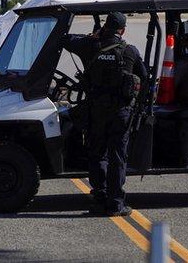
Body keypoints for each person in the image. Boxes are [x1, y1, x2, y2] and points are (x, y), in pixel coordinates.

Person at [62, 12, 149, 217]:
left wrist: (92, 37)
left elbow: (65, 39)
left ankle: (99, 199)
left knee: (98, 153)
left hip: (96, 110)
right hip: (121, 112)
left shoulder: (90, 46)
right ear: (123, 30)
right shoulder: (130, 51)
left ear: (104, 28)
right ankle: (116, 203)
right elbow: (144, 78)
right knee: (118, 156)